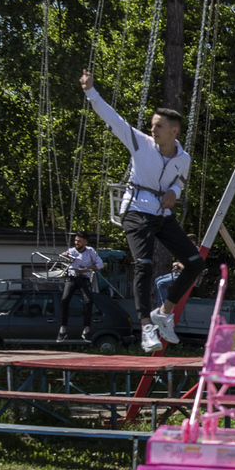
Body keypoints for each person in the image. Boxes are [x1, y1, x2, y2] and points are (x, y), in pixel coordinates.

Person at [81, 69, 205, 352]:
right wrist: (90, 91)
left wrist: (174, 192)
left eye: (159, 126)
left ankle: (164, 312)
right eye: (152, 125)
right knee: (144, 265)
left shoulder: (183, 158)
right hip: (136, 210)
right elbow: (112, 118)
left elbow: (179, 182)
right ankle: (147, 327)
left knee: (195, 263)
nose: (153, 130)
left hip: (162, 216)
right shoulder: (140, 142)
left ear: (174, 131)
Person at [55, 233, 105, 344]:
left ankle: (86, 329)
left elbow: (100, 264)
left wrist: (87, 268)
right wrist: (64, 255)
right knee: (65, 299)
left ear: (85, 242)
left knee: (88, 301)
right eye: (76, 240)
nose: (76, 243)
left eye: (79, 241)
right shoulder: (72, 251)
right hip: (72, 278)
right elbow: (64, 255)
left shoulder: (90, 251)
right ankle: (63, 329)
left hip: (84, 278)